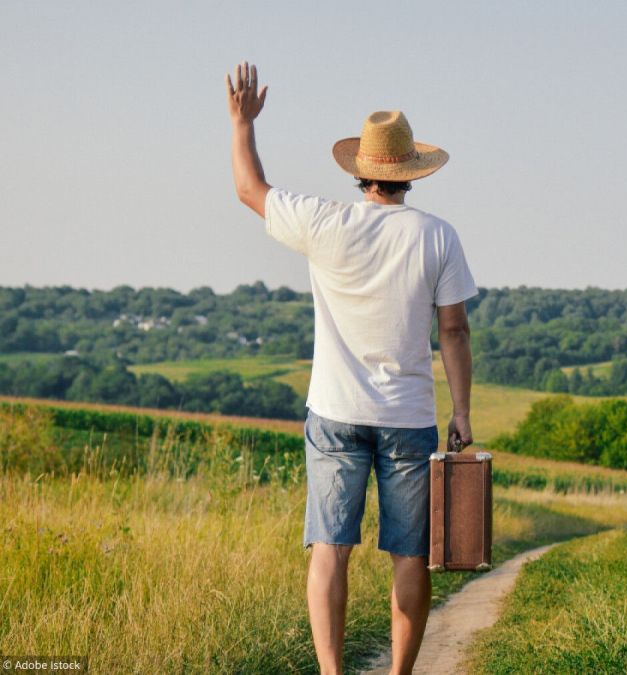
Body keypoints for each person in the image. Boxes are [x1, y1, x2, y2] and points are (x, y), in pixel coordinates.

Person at [225, 61, 477, 675]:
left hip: (335, 412)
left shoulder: (324, 222)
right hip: (408, 419)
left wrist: (242, 123)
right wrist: (463, 412)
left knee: (329, 550)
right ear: (410, 172)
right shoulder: (438, 236)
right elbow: (453, 330)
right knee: (409, 555)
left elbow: (249, 189)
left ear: (360, 170)